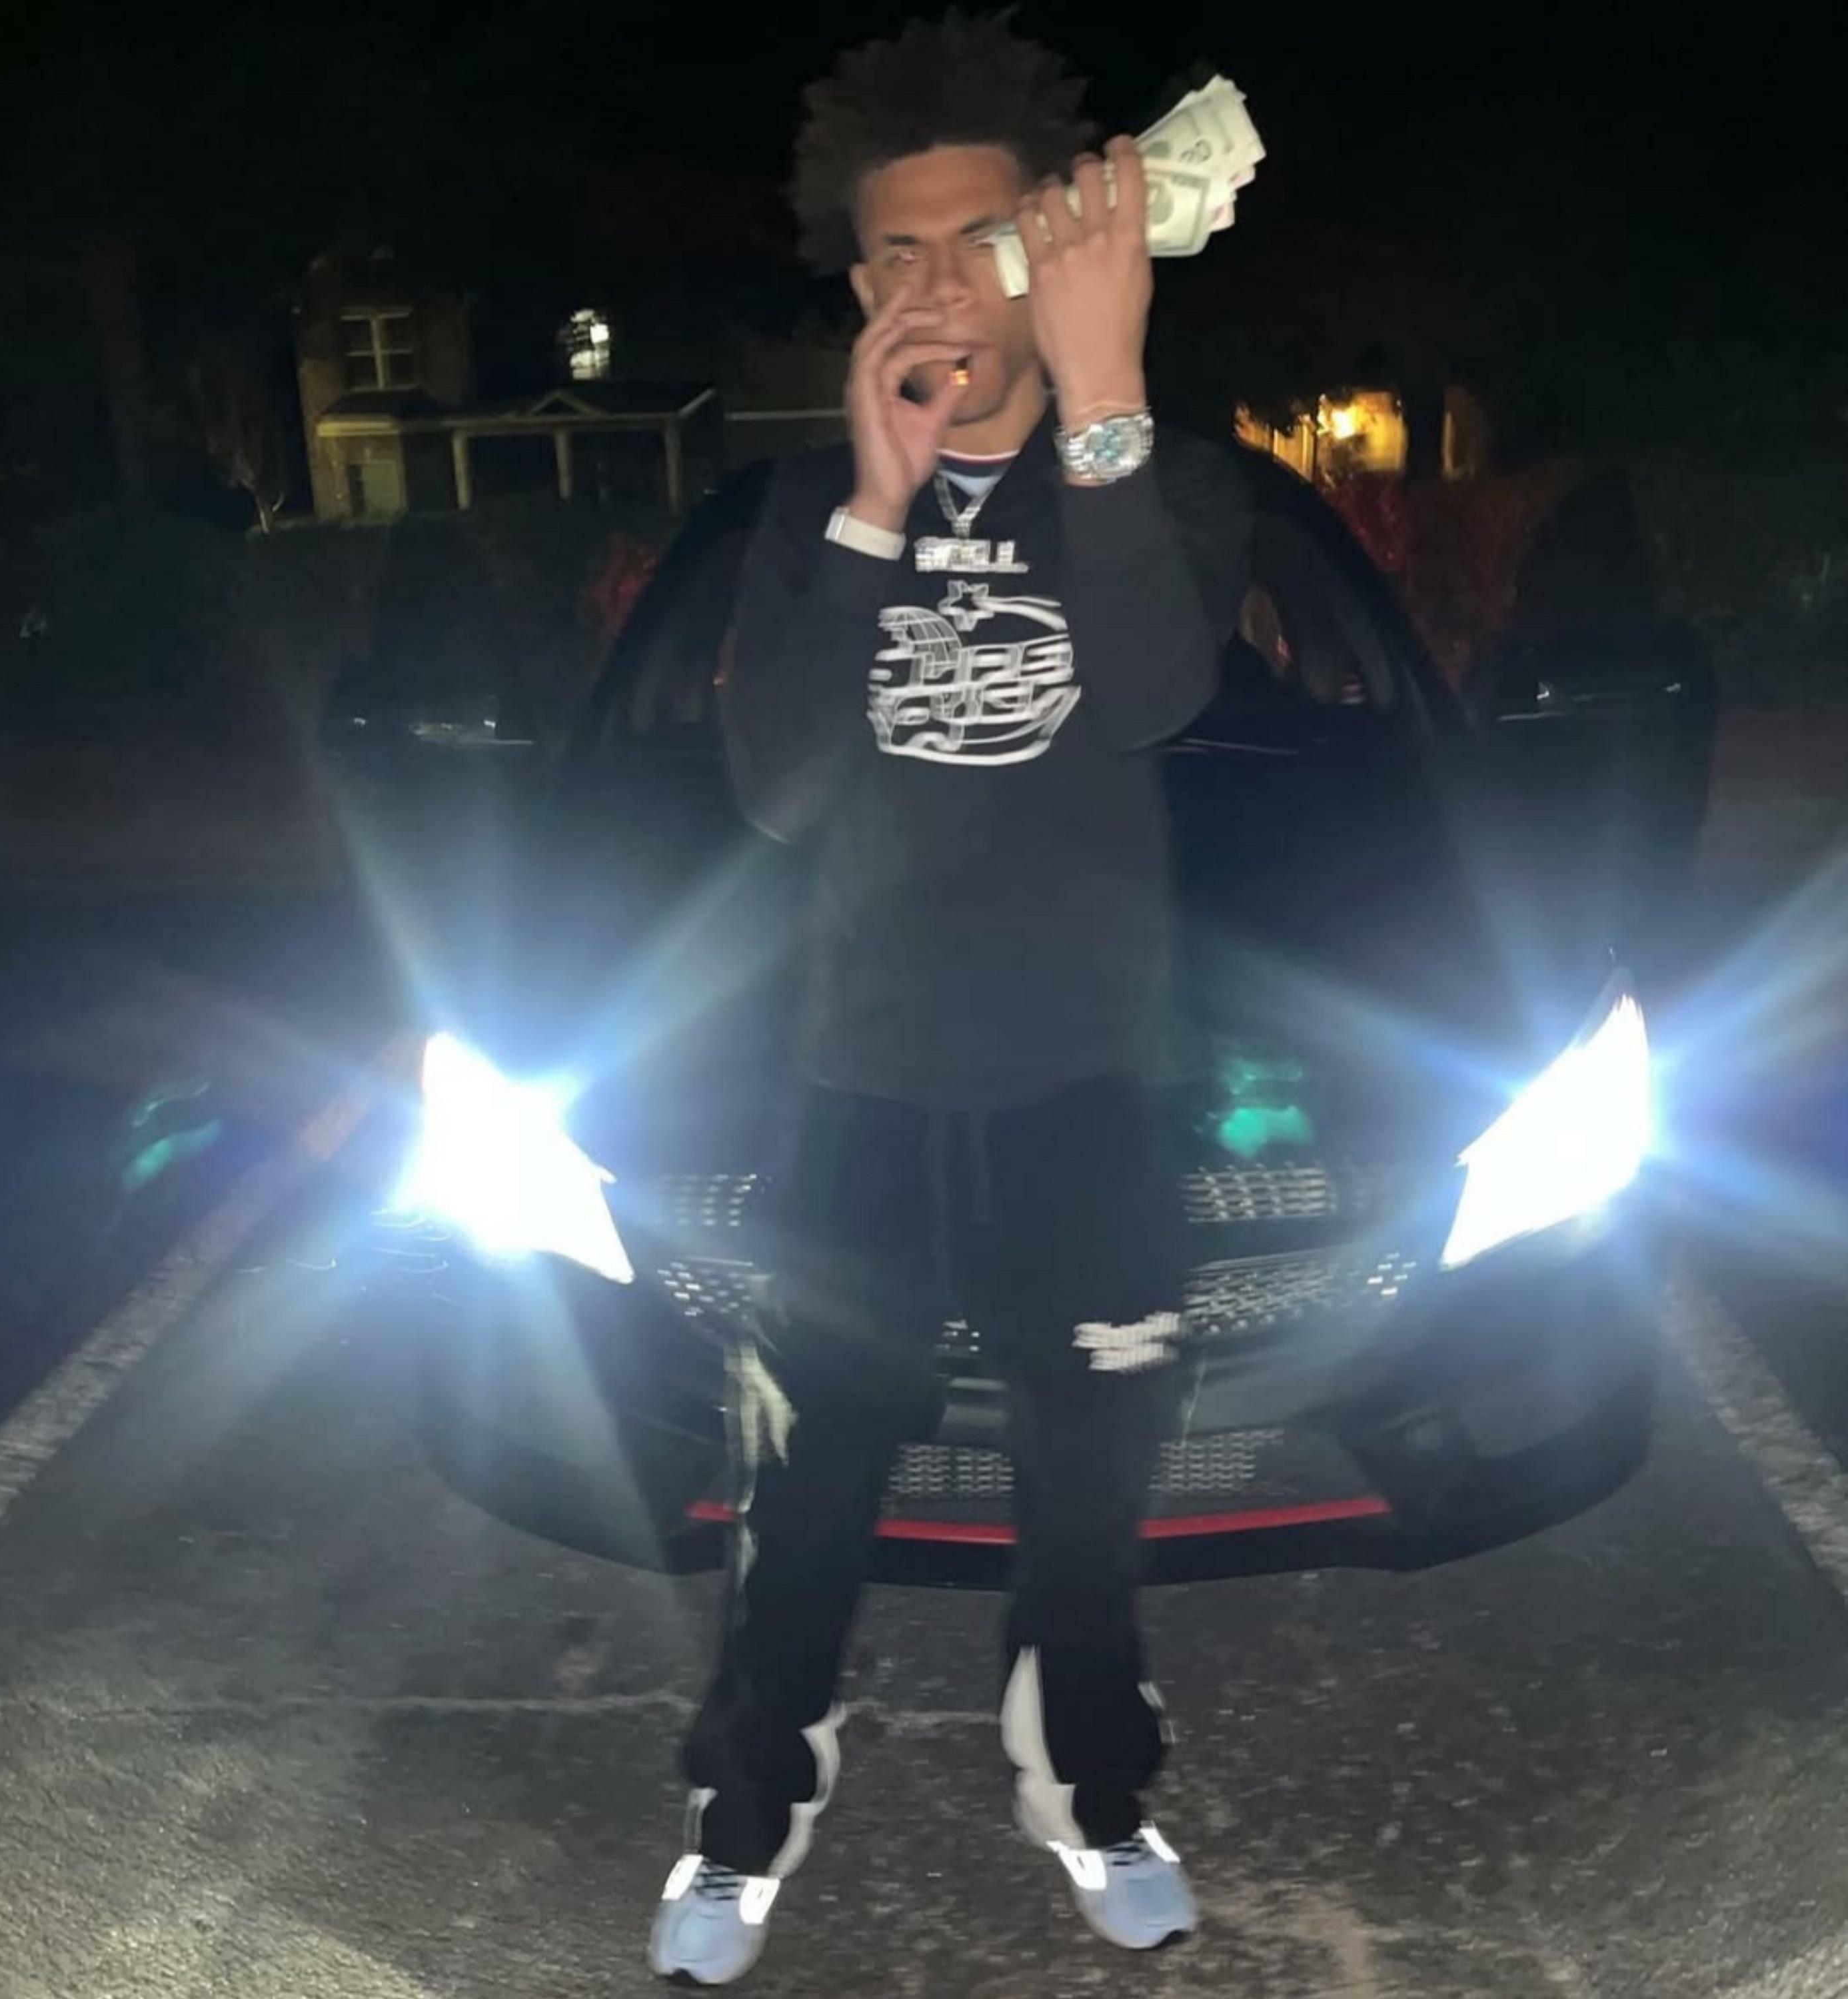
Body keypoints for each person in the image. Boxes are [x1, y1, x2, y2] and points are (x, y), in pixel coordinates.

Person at [648, 13, 1250, 1984]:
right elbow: (781, 791)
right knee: (806, 1493)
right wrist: (873, 502)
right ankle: (754, 1802)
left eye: (979, 244)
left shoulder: (1162, 483)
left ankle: (1089, 1782)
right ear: (860, 289)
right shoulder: (797, 524)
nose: (936, 288)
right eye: (895, 254)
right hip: (862, 1092)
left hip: (1089, 1091)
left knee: (1088, 1503)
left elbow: (1150, 690)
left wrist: (1108, 388)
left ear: (1051, 252)